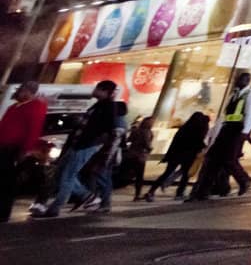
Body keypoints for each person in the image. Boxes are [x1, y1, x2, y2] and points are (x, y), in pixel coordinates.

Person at [35, 80, 119, 217]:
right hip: (78, 143)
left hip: (85, 145)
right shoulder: (99, 105)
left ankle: (58, 206)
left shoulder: (108, 107)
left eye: (97, 89)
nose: (94, 91)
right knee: (62, 174)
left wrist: (92, 140)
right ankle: (84, 197)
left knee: (67, 176)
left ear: (104, 91)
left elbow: (107, 129)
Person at [191, 73, 251, 201]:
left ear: (247, 81)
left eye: (240, 79)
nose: (236, 81)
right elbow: (225, 114)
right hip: (226, 128)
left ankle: (244, 179)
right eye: (236, 79)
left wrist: (244, 132)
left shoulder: (250, 94)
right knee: (212, 158)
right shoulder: (234, 94)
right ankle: (203, 190)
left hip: (237, 130)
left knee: (229, 159)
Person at [1, 81, 48, 222]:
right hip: (4, 147)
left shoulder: (35, 107)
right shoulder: (14, 107)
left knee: (7, 181)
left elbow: (33, 130)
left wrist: (25, 150)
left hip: (14, 149)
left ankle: (3, 212)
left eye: (21, 90)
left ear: (28, 92)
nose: (18, 93)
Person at [144, 112, 209, 200]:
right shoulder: (197, 131)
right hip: (188, 156)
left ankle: (151, 191)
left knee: (167, 173)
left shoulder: (183, 128)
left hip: (175, 154)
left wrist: (168, 155)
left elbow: (174, 143)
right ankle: (179, 193)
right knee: (185, 176)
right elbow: (199, 143)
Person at [123, 116, 155, 200]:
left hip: (131, 154)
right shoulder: (147, 132)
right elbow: (147, 144)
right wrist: (150, 150)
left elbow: (129, 140)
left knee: (127, 173)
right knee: (139, 176)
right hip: (140, 156)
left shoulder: (136, 130)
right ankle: (137, 194)